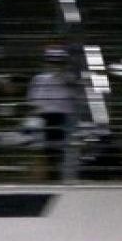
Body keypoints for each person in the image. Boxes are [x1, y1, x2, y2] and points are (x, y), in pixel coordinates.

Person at [27, 47, 76, 181]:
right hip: (44, 117)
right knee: (45, 150)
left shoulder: (70, 79)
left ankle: (61, 175)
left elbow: (73, 97)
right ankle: (48, 176)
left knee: (61, 148)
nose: (56, 66)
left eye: (59, 62)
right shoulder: (39, 79)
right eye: (53, 62)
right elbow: (33, 99)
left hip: (63, 117)